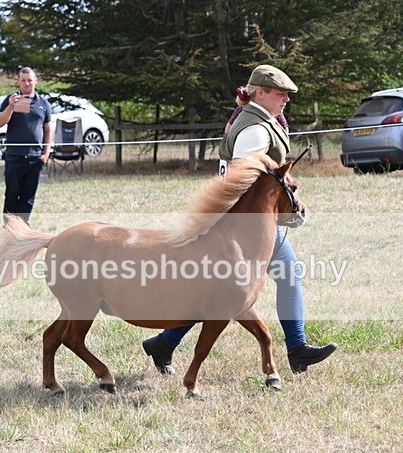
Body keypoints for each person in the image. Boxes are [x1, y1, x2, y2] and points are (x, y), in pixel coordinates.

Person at [142, 65, 337, 375]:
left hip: (247, 222)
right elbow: (241, 180)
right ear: (259, 92)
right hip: (245, 225)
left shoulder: (258, 120)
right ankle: (297, 348)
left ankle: (164, 343)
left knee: (223, 291)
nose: (286, 99)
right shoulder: (254, 130)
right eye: (280, 93)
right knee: (273, 279)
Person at [0, 67, 53, 224]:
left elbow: (48, 130)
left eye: (29, 80)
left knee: (28, 197)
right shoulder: (10, 99)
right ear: (18, 82)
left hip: (35, 158)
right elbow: (0, 123)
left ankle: (23, 227)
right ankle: (9, 227)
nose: (27, 83)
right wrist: (10, 106)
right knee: (11, 194)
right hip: (14, 157)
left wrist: (45, 154)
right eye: (23, 80)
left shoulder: (44, 104)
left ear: (36, 81)